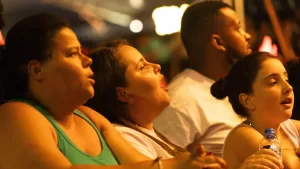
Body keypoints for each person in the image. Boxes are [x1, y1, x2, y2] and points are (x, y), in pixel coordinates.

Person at [0, 13, 228, 169]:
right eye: (72, 53)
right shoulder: (16, 114)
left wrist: (192, 162)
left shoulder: (89, 117)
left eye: (83, 52)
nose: (86, 60)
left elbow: (139, 164)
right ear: (37, 70)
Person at [154, 1, 252, 156]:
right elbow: (160, 161)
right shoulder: (181, 100)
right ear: (218, 42)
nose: (247, 35)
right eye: (238, 28)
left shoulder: (239, 87)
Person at [86, 39, 198, 159]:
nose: (157, 66)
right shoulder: (125, 138)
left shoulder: (144, 132)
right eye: (142, 66)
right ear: (123, 94)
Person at [211, 52, 298, 169]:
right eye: (273, 82)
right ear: (247, 101)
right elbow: (287, 165)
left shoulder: (290, 128)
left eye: (286, 80)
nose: (289, 88)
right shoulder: (241, 135)